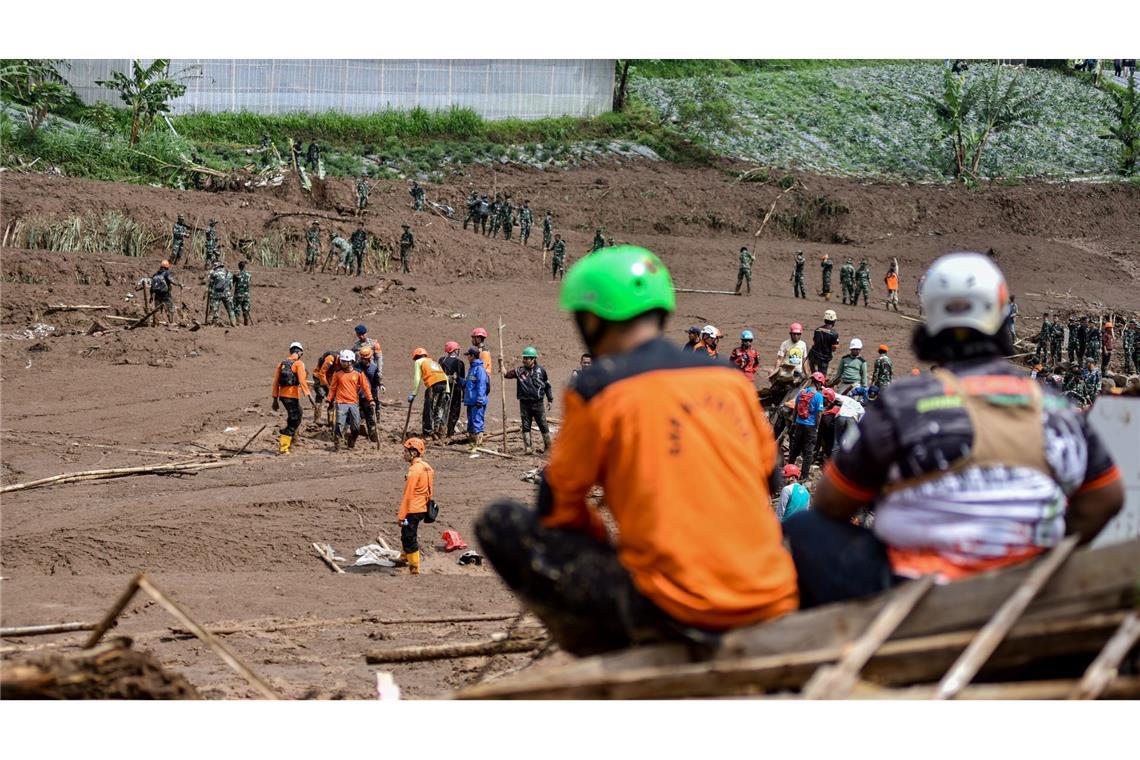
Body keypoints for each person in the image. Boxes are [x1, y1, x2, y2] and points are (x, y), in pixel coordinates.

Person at [474, 245, 797, 656]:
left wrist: (607, 544)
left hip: (676, 611)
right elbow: (767, 476)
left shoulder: (599, 387)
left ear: (591, 319)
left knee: (500, 520)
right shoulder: (729, 378)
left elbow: (558, 511)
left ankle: (606, 648)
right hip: (771, 598)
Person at [784, 252, 1124, 608]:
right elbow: (1108, 497)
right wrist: (1052, 548)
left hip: (916, 591)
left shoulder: (905, 401)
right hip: (1023, 586)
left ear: (930, 317)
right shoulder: (1056, 406)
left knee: (804, 530)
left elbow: (831, 502)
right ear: (1002, 317)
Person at [504, 346, 554, 455]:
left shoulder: (541, 371)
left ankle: (548, 447)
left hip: (538, 402)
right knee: (526, 425)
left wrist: (550, 399)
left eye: (527, 358)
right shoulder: (519, 371)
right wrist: (501, 364)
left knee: (543, 424)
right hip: (524, 402)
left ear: (533, 359)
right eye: (524, 358)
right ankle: (528, 448)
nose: (524, 360)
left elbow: (547, 386)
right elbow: (506, 374)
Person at [397, 437, 434, 575]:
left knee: (409, 537)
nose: (404, 454)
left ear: (413, 453)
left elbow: (408, 495)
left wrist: (401, 516)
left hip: (413, 509)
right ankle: (403, 557)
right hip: (423, 508)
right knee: (407, 533)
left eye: (406, 451)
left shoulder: (414, 471)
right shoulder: (427, 467)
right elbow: (430, 490)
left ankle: (414, 568)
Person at [272, 342, 313, 455]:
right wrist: (309, 395)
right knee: (294, 420)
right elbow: (302, 380)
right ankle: (284, 446)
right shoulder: (298, 364)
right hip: (292, 396)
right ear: (299, 352)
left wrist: (275, 399)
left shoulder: (281, 363)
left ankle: (292, 440)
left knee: (297, 414)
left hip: (283, 396)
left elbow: (275, 382)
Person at [327, 349, 373, 449]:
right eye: (342, 361)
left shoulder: (358, 373)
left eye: (345, 361)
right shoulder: (337, 373)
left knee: (356, 427)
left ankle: (351, 441)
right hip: (340, 402)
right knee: (339, 425)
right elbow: (333, 388)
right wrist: (329, 399)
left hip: (353, 403)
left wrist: (371, 400)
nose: (342, 363)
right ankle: (337, 443)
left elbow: (365, 387)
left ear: (351, 361)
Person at [787, 372, 826, 474]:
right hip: (811, 426)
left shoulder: (801, 393)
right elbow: (819, 414)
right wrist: (817, 427)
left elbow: (795, 409)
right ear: (818, 383)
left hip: (799, 424)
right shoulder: (819, 396)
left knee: (795, 448)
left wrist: (794, 422)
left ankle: (788, 469)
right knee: (808, 452)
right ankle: (804, 476)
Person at [409, 347, 450, 440]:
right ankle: (438, 430)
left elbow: (417, 378)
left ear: (416, 357)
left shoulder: (418, 362)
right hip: (443, 384)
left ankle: (428, 432)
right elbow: (445, 376)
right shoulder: (433, 362)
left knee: (429, 408)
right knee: (439, 408)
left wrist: (414, 393)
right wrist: (447, 391)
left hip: (433, 385)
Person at [464, 347, 490, 455]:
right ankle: (471, 445)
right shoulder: (471, 369)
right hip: (470, 401)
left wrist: (480, 398)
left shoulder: (479, 369)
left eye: (468, 355)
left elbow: (481, 385)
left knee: (477, 422)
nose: (467, 357)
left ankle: (478, 446)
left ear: (473, 356)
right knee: (471, 423)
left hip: (477, 401)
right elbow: (468, 384)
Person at [438, 341, 467, 437]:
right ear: (455, 350)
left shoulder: (442, 360)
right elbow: (462, 380)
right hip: (456, 389)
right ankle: (450, 431)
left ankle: (440, 429)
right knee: (454, 411)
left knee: (442, 408)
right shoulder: (460, 363)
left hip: (443, 388)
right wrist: (464, 394)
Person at [356, 346, 382, 443]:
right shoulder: (356, 367)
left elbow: (375, 381)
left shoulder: (374, 368)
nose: (363, 360)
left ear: (369, 358)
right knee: (357, 415)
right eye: (362, 358)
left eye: (365, 358)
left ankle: (373, 436)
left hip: (368, 395)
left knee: (370, 417)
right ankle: (358, 431)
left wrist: (380, 385)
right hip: (356, 394)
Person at [807, 310, 840, 377]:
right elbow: (834, 348)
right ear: (833, 321)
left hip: (813, 355)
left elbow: (815, 342)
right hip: (823, 359)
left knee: (812, 375)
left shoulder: (817, 330)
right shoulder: (834, 334)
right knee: (821, 377)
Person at [149, 260, 180, 325]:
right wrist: (179, 284)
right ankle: (171, 322)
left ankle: (155, 322)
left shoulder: (155, 274)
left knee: (157, 310)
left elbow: (152, 286)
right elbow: (172, 280)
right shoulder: (166, 273)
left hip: (157, 295)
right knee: (170, 308)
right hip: (165, 295)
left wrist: (151, 296)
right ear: (167, 267)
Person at [207, 262, 235, 327]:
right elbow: (231, 285)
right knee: (230, 309)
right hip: (226, 294)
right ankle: (233, 323)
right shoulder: (229, 274)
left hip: (216, 294)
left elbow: (211, 285)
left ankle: (209, 322)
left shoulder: (214, 273)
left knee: (213, 308)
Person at [232, 260, 252, 326]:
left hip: (238, 294)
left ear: (239, 267)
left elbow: (232, 283)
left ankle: (238, 322)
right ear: (244, 267)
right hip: (246, 295)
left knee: (236, 308)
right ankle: (246, 322)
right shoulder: (249, 275)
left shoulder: (236, 275)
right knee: (246, 309)